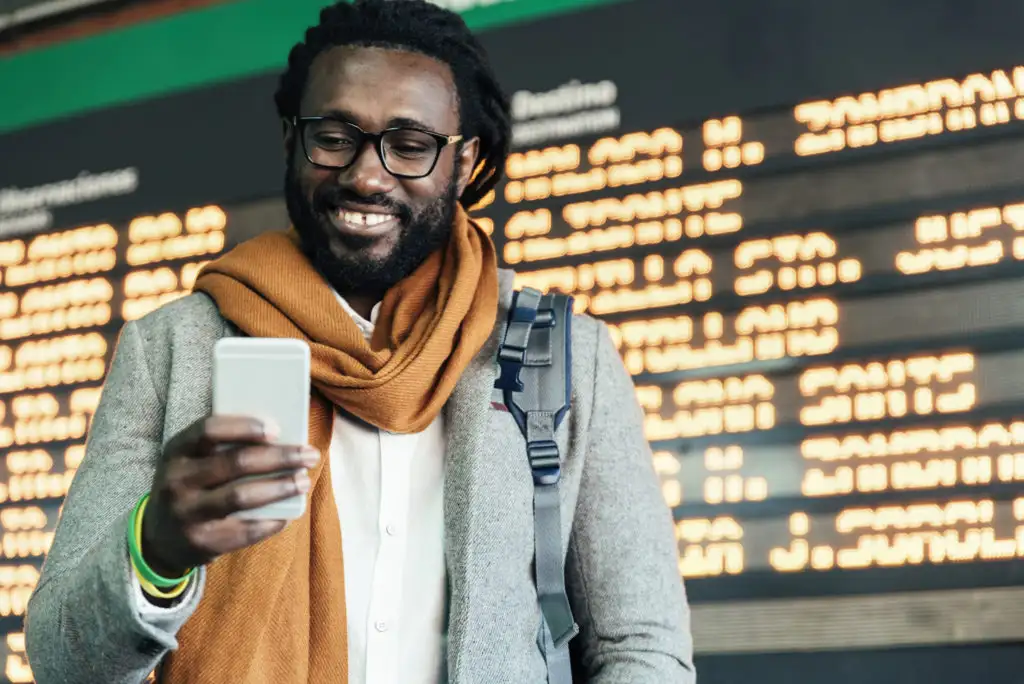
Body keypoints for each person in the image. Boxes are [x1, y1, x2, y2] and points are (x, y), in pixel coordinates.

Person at [24, 1, 695, 682]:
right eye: (335, 135)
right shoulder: (169, 349)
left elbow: (641, 648)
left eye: (410, 145)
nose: (367, 176)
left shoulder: (567, 357)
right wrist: (156, 550)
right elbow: (59, 661)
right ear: (291, 140)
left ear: (464, 164)